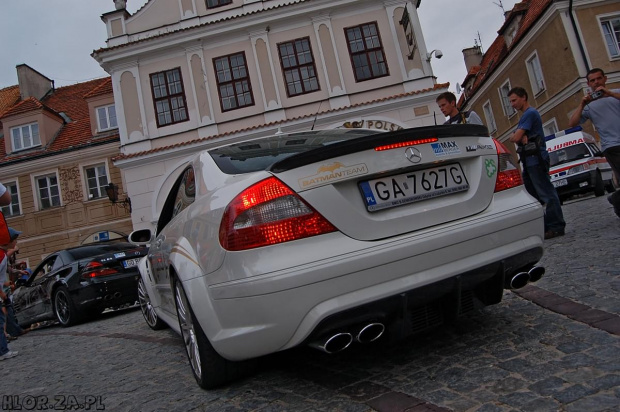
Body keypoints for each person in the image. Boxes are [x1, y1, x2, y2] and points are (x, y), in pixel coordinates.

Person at [508, 87, 566, 240]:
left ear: (523, 97)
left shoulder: (529, 113)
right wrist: (519, 135)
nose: (512, 104)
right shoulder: (525, 117)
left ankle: (556, 226)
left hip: (536, 158)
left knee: (546, 193)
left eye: (514, 100)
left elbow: (515, 137)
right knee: (534, 196)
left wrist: (519, 135)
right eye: (511, 102)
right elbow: (513, 136)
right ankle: (544, 226)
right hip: (529, 159)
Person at [568, 68, 620, 217]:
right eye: (592, 80)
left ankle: (616, 199)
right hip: (612, 146)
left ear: (605, 79)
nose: (596, 82)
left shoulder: (616, 93)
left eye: (599, 78)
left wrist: (609, 94)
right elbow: (572, 123)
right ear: (588, 84)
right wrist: (582, 104)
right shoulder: (589, 105)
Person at [0, 227, 19, 360]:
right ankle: (3, 351)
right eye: (15, 239)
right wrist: (3, 295)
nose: (16, 242)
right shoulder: (1, 257)